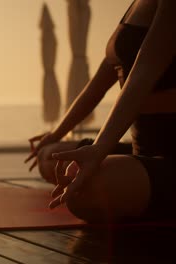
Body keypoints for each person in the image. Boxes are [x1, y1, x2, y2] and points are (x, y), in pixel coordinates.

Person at [26, 0, 176, 223]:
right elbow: (95, 88)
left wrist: (99, 149)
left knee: (88, 190)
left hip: (170, 152)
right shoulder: (135, 5)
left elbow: (144, 71)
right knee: (49, 156)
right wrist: (56, 133)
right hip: (142, 148)